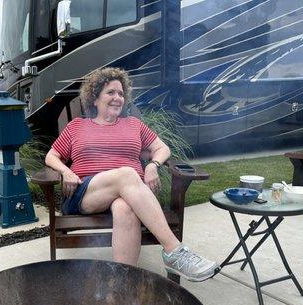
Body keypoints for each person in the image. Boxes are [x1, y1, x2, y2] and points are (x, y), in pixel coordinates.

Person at [45, 67, 219, 282]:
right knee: (127, 174)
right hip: (86, 193)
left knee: (125, 207)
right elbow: (51, 156)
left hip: (129, 194)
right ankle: (174, 250)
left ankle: (123, 282)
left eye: (121, 93)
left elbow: (162, 148)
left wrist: (152, 165)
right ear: (95, 98)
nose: (117, 97)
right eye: (110, 92)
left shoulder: (133, 124)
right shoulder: (77, 126)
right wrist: (65, 171)